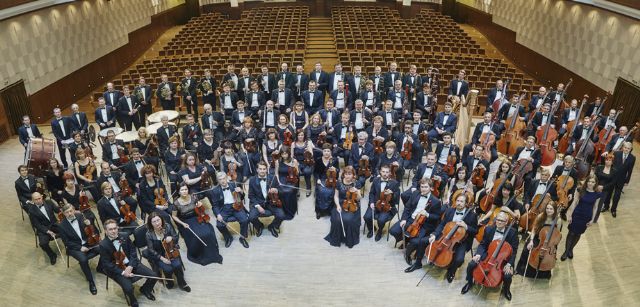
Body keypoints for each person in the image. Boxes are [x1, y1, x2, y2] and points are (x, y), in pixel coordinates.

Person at [405, 193, 478, 284]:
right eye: (458, 201)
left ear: (466, 203)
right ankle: (418, 263)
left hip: (460, 241)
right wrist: (435, 235)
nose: (459, 203)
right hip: (445, 235)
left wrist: (466, 226)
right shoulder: (450, 210)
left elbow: (475, 231)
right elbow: (442, 224)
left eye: (461, 201)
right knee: (423, 241)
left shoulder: (471, 215)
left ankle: (451, 271)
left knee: (459, 259)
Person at [99, 219, 158, 306]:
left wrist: (130, 266)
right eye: (110, 229)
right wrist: (123, 272)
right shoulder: (103, 245)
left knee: (153, 276)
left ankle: (145, 289)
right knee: (129, 288)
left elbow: (133, 251)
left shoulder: (125, 235)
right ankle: (133, 300)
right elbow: (107, 264)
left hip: (131, 263)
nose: (113, 231)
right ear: (105, 231)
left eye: (115, 228)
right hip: (118, 269)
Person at [461, 212, 518, 301]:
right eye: (498, 220)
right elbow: (483, 244)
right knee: (472, 264)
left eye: (502, 221)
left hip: (503, 258)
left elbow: (514, 251)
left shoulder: (512, 233)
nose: (499, 222)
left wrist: (509, 264)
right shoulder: (489, 229)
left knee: (507, 276)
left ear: (506, 222)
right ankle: (469, 282)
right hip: (488, 255)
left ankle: (506, 290)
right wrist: (478, 254)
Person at [171, 184, 223, 265]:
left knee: (209, 232)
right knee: (199, 236)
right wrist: (182, 223)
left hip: (198, 217)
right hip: (186, 221)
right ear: (178, 192)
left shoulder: (193, 197)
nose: (184, 191)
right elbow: (174, 216)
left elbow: (201, 209)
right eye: (182, 190)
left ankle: (212, 253)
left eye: (185, 189)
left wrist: (200, 205)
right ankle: (199, 254)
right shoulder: (176, 203)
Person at [58, 204, 100, 295]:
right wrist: (80, 247)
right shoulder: (61, 226)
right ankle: (91, 281)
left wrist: (90, 224)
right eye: (67, 212)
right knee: (83, 259)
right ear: (64, 214)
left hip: (88, 241)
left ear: (74, 210)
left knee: (102, 247)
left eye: (71, 211)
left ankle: (100, 267)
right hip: (74, 247)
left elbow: (92, 230)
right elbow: (67, 242)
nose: (69, 214)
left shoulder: (80, 216)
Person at [390, 179, 442, 253]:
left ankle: (408, 252)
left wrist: (427, 214)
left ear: (431, 188)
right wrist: (404, 219)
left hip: (423, 224)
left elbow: (437, 217)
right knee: (393, 231)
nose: (423, 189)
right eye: (422, 187)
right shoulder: (415, 194)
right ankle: (406, 239)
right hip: (410, 219)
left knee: (415, 241)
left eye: (426, 187)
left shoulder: (436, 201)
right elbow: (407, 207)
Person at [145, 212, 191, 292]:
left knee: (177, 265)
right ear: (151, 223)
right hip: (159, 255)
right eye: (154, 221)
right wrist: (162, 259)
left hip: (171, 250)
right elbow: (151, 250)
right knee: (168, 269)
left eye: (158, 220)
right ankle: (170, 282)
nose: (157, 223)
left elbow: (176, 238)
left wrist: (172, 238)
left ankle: (182, 283)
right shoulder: (149, 234)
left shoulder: (168, 226)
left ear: (161, 220)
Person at [562, 175, 603, 261]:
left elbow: (595, 207)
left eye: (593, 182)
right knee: (571, 233)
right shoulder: (580, 190)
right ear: (586, 181)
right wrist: (569, 215)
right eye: (589, 181)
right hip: (577, 214)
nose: (590, 184)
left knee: (578, 234)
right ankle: (566, 251)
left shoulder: (597, 194)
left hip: (586, 216)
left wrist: (592, 219)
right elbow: (575, 202)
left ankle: (571, 249)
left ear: (595, 183)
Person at [516, 202, 561, 279]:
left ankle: (544, 273)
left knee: (548, 255)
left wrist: (553, 243)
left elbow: (557, 234)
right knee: (526, 249)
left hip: (550, 242)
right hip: (538, 238)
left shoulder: (558, 220)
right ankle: (520, 270)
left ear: (555, 210)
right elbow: (534, 229)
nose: (548, 210)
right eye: (547, 208)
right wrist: (531, 240)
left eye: (551, 209)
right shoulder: (541, 216)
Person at [325, 166, 363, 248]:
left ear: (353, 175)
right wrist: (338, 205)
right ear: (343, 175)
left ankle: (349, 239)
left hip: (353, 204)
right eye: (346, 174)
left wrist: (356, 191)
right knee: (337, 219)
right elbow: (336, 196)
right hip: (341, 203)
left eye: (350, 174)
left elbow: (359, 199)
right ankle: (338, 238)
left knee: (348, 219)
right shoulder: (339, 182)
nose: (348, 176)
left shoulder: (357, 183)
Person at [209, 172, 250, 248]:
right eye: (220, 179)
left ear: (226, 178)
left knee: (244, 220)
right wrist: (218, 214)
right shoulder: (214, 191)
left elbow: (242, 197)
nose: (223, 181)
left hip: (236, 206)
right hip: (224, 209)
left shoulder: (234, 184)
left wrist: (241, 191)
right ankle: (228, 238)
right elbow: (214, 206)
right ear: (218, 181)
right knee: (220, 225)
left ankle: (243, 238)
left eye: (224, 178)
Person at [248, 162, 285, 237]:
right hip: (258, 202)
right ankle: (259, 226)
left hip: (271, 202)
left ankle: (272, 226)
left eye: (264, 169)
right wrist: (258, 206)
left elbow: (280, 190)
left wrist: (277, 190)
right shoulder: (252, 180)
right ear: (257, 170)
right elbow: (251, 196)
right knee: (251, 217)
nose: (262, 171)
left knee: (281, 215)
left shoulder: (273, 178)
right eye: (260, 169)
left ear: (266, 170)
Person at [364, 165, 400, 241]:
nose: (385, 174)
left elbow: (396, 199)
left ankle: (380, 231)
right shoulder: (376, 180)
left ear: (390, 173)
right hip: (375, 204)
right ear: (380, 172)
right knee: (366, 217)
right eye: (383, 171)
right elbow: (371, 193)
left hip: (387, 206)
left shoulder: (394, 183)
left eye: (387, 172)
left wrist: (392, 194)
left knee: (381, 220)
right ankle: (371, 229)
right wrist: (371, 202)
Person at [28, 192, 61, 265]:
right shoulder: (31, 210)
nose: (38, 200)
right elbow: (36, 224)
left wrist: (61, 209)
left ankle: (70, 246)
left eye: (39, 198)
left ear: (42, 197)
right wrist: (48, 231)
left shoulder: (49, 202)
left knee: (67, 230)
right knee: (43, 244)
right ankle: (52, 255)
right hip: (43, 228)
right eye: (36, 199)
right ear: (33, 200)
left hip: (54, 224)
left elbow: (58, 211)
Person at [609, 142, 635, 217]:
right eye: (625, 147)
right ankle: (606, 206)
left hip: (621, 179)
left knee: (617, 196)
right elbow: (611, 165)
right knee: (609, 193)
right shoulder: (617, 154)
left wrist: (627, 181)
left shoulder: (632, 158)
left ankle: (613, 210)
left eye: (628, 148)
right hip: (613, 177)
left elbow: (630, 170)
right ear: (623, 147)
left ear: (630, 149)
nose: (626, 149)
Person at [314, 144, 340, 219]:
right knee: (321, 191)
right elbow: (316, 172)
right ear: (322, 151)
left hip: (331, 179)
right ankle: (319, 211)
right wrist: (318, 179)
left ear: (331, 152)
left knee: (331, 191)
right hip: (321, 179)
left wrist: (335, 170)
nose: (326, 153)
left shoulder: (334, 160)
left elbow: (338, 172)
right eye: (324, 151)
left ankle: (329, 210)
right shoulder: (318, 160)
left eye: (328, 151)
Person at [594, 154, 616, 221]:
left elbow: (612, 183)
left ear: (612, 162)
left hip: (605, 190)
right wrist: (597, 186)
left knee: (599, 205)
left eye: (610, 160)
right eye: (606, 160)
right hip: (595, 187)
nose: (608, 161)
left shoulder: (614, 171)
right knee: (591, 202)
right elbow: (595, 177)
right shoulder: (599, 167)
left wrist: (603, 187)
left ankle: (595, 219)